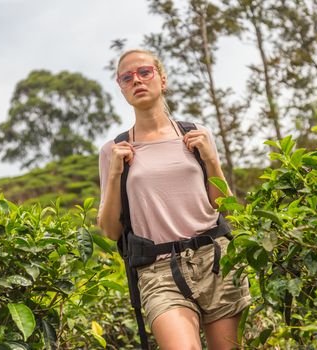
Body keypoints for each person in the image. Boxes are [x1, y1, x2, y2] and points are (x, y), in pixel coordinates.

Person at [97, 49, 251, 350]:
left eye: (145, 72)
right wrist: (115, 173)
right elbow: (110, 231)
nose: (137, 81)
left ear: (162, 79)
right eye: (127, 77)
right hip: (159, 269)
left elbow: (225, 207)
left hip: (215, 258)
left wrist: (211, 161)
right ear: (121, 87)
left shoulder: (197, 134)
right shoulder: (113, 150)